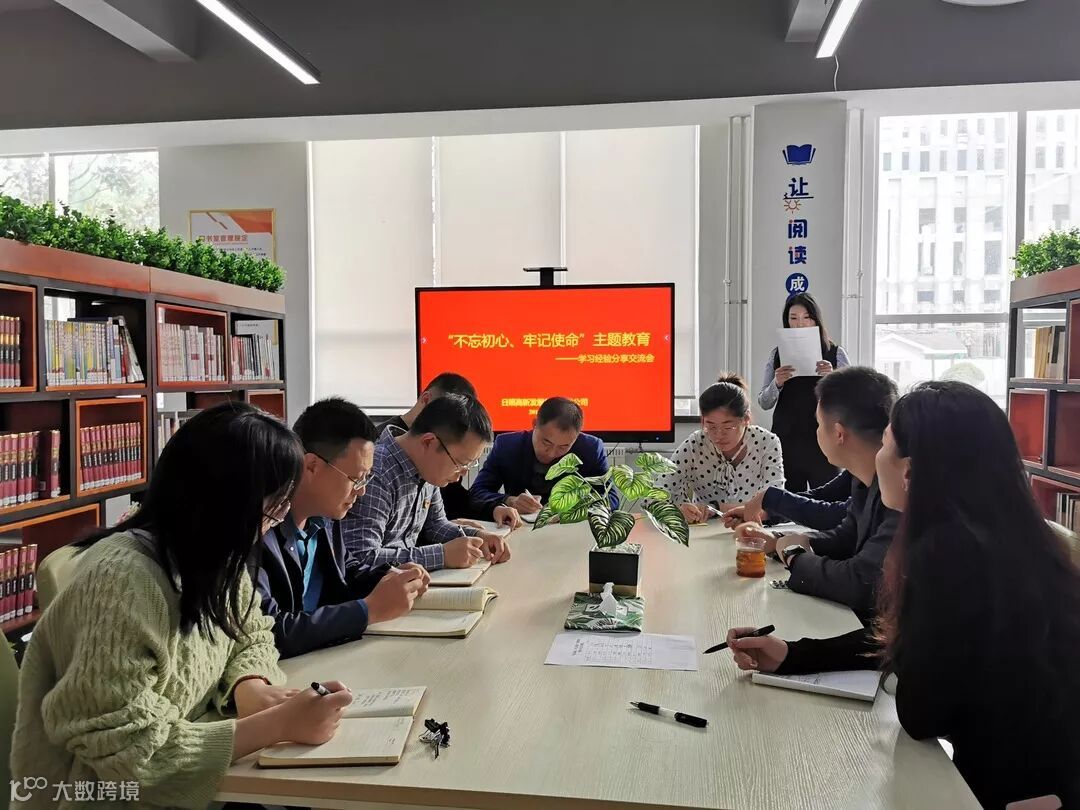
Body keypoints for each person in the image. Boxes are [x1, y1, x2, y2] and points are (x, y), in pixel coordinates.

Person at [725, 382, 1080, 810]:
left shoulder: (943, 556)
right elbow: (910, 641)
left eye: (887, 444)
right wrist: (793, 654)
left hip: (1004, 792)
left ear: (909, 471)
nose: (878, 455)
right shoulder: (1012, 539)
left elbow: (919, 713)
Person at [12, 403, 355, 810]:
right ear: (221, 503)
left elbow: (253, 634)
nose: (274, 524)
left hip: (201, 784)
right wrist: (276, 725)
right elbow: (125, 749)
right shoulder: (120, 581)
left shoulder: (216, 559)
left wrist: (250, 686)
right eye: (272, 509)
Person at [255, 397, 432, 658]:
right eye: (355, 479)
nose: (362, 492)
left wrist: (390, 576)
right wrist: (368, 610)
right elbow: (269, 631)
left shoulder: (326, 517)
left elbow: (345, 573)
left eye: (366, 479)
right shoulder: (259, 530)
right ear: (312, 466)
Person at [736, 366, 898, 619]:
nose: (816, 432)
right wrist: (779, 541)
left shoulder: (899, 490)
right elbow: (846, 535)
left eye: (819, 424)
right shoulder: (863, 476)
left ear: (839, 433)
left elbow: (861, 582)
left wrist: (793, 555)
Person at [342, 394, 510, 571]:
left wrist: (478, 537)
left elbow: (435, 525)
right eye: (461, 463)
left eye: (470, 464)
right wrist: (442, 555)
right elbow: (361, 557)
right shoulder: (376, 472)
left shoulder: (426, 469)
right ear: (429, 442)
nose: (464, 472)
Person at [385, 371, 522, 529]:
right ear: (427, 401)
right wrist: (444, 536)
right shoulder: (378, 451)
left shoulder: (444, 451)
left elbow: (454, 500)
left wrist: (492, 510)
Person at [657, 373, 784, 526]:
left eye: (728, 427)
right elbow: (655, 494)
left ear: (746, 419)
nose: (718, 435)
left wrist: (716, 508)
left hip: (750, 529)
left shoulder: (766, 442)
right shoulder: (695, 444)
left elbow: (777, 504)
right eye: (711, 427)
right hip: (702, 530)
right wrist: (678, 509)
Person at [757, 293, 850, 492]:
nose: (800, 324)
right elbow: (764, 402)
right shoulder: (776, 354)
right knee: (787, 503)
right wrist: (777, 383)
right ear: (787, 322)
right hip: (787, 440)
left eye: (806, 317)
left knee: (830, 500)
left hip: (824, 441)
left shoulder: (835, 353)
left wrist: (832, 378)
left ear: (816, 320)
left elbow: (851, 400)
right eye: (793, 318)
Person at [470, 397, 617, 516]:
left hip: (570, 530)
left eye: (564, 447)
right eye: (546, 442)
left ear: (577, 437)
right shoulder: (508, 445)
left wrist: (573, 509)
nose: (552, 453)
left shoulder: (590, 448)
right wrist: (509, 500)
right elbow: (477, 492)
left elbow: (611, 498)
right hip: (520, 529)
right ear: (535, 424)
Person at [724, 470, 852, 531]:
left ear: (839, 433)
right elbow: (823, 496)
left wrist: (768, 497)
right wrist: (766, 513)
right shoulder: (854, 472)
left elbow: (839, 516)